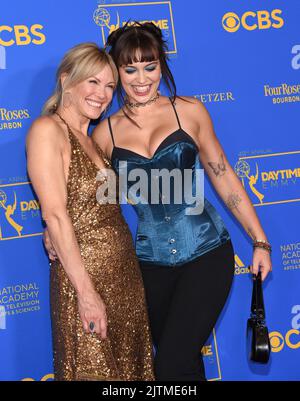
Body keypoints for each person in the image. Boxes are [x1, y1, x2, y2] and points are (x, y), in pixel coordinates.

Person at [91, 22, 273, 381]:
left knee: (169, 367)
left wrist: (260, 240)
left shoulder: (189, 111)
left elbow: (223, 176)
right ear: (116, 72)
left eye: (150, 66)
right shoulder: (104, 133)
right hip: (150, 267)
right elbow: (98, 202)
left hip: (207, 254)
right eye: (130, 69)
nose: (142, 79)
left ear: (162, 66)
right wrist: (55, 226)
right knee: (185, 366)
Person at [27, 42, 154, 381]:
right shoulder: (47, 131)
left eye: (110, 85)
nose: (103, 94)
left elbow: (87, 206)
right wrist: (86, 294)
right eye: (93, 83)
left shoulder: (96, 139)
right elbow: (55, 214)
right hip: (84, 281)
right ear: (67, 80)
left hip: (125, 278)